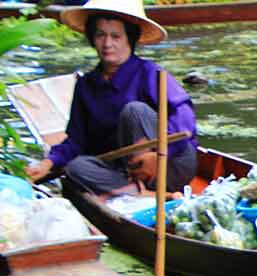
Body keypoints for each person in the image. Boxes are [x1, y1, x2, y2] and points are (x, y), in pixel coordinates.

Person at [24, 0, 197, 197]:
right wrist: (49, 162)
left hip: (170, 163)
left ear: (129, 39)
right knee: (76, 167)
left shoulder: (150, 73)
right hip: (128, 170)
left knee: (134, 111)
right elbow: (76, 141)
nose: (107, 44)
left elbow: (185, 119)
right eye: (100, 35)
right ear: (92, 38)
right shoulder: (86, 85)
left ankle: (144, 189)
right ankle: (146, 195)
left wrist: (157, 155)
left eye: (116, 36)